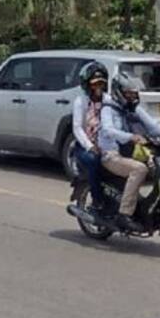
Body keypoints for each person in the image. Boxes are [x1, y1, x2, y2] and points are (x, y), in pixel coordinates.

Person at [97, 72, 160, 233]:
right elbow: (108, 130)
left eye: (134, 94)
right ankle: (124, 214)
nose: (132, 97)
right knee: (140, 169)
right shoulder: (108, 109)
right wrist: (131, 136)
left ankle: (150, 209)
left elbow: (153, 126)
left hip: (129, 153)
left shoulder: (133, 108)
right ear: (119, 92)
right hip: (111, 155)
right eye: (129, 94)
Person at [71, 61, 109, 214]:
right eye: (94, 83)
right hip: (85, 147)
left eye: (101, 83)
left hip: (106, 145)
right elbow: (77, 128)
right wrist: (90, 146)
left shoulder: (109, 100)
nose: (98, 87)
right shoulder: (81, 102)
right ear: (87, 85)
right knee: (94, 162)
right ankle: (97, 200)